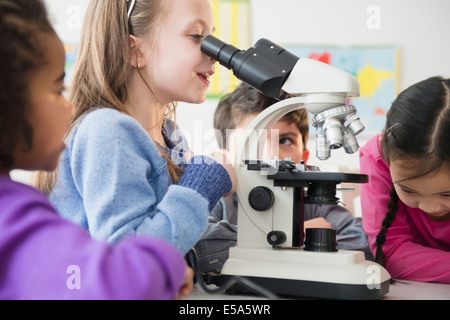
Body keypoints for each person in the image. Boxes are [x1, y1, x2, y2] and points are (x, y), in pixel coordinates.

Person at [0, 0, 193, 299]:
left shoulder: (18, 206)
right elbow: (124, 283)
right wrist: (168, 266)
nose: (69, 106)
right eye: (56, 89)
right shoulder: (13, 217)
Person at [36, 0, 235, 255]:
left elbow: (187, 237)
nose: (215, 53)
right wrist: (204, 183)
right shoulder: (107, 131)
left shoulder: (169, 134)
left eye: (212, 37)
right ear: (133, 50)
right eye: (197, 36)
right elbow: (129, 259)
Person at [194, 83, 372, 273]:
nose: (272, 155)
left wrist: (267, 250)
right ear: (228, 157)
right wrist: (295, 237)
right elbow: (196, 243)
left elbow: (361, 242)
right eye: (254, 141)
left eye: (285, 141)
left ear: (304, 158)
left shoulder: (315, 204)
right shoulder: (220, 200)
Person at [360, 76, 450, 283]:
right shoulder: (377, 157)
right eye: (409, 190)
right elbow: (391, 254)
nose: (430, 207)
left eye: (447, 194)